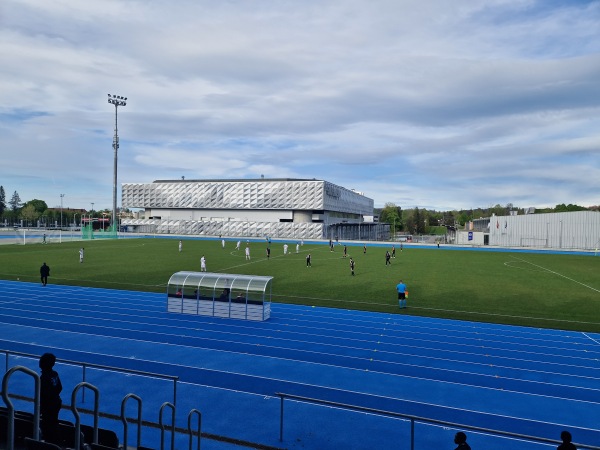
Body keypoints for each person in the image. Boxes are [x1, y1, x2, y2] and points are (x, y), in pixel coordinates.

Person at [39, 353, 63, 444]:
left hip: (48, 405)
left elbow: (43, 393)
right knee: (54, 422)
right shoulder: (54, 374)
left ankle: (51, 442)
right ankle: (54, 441)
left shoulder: (43, 377)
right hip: (56, 402)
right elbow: (60, 387)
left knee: (48, 424)